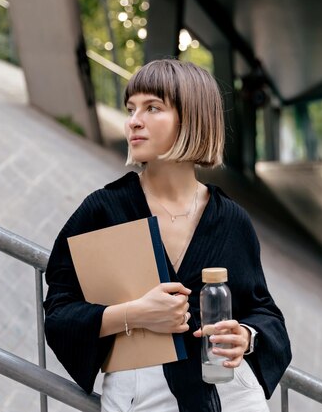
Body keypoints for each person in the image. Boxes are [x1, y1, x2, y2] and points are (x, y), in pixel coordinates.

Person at [44, 59, 292, 412]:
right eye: (131, 108)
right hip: (141, 395)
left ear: (191, 118)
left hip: (230, 393)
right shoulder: (103, 210)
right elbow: (59, 313)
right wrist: (135, 313)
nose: (134, 120)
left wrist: (247, 337)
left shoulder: (230, 220)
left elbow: (264, 312)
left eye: (152, 107)